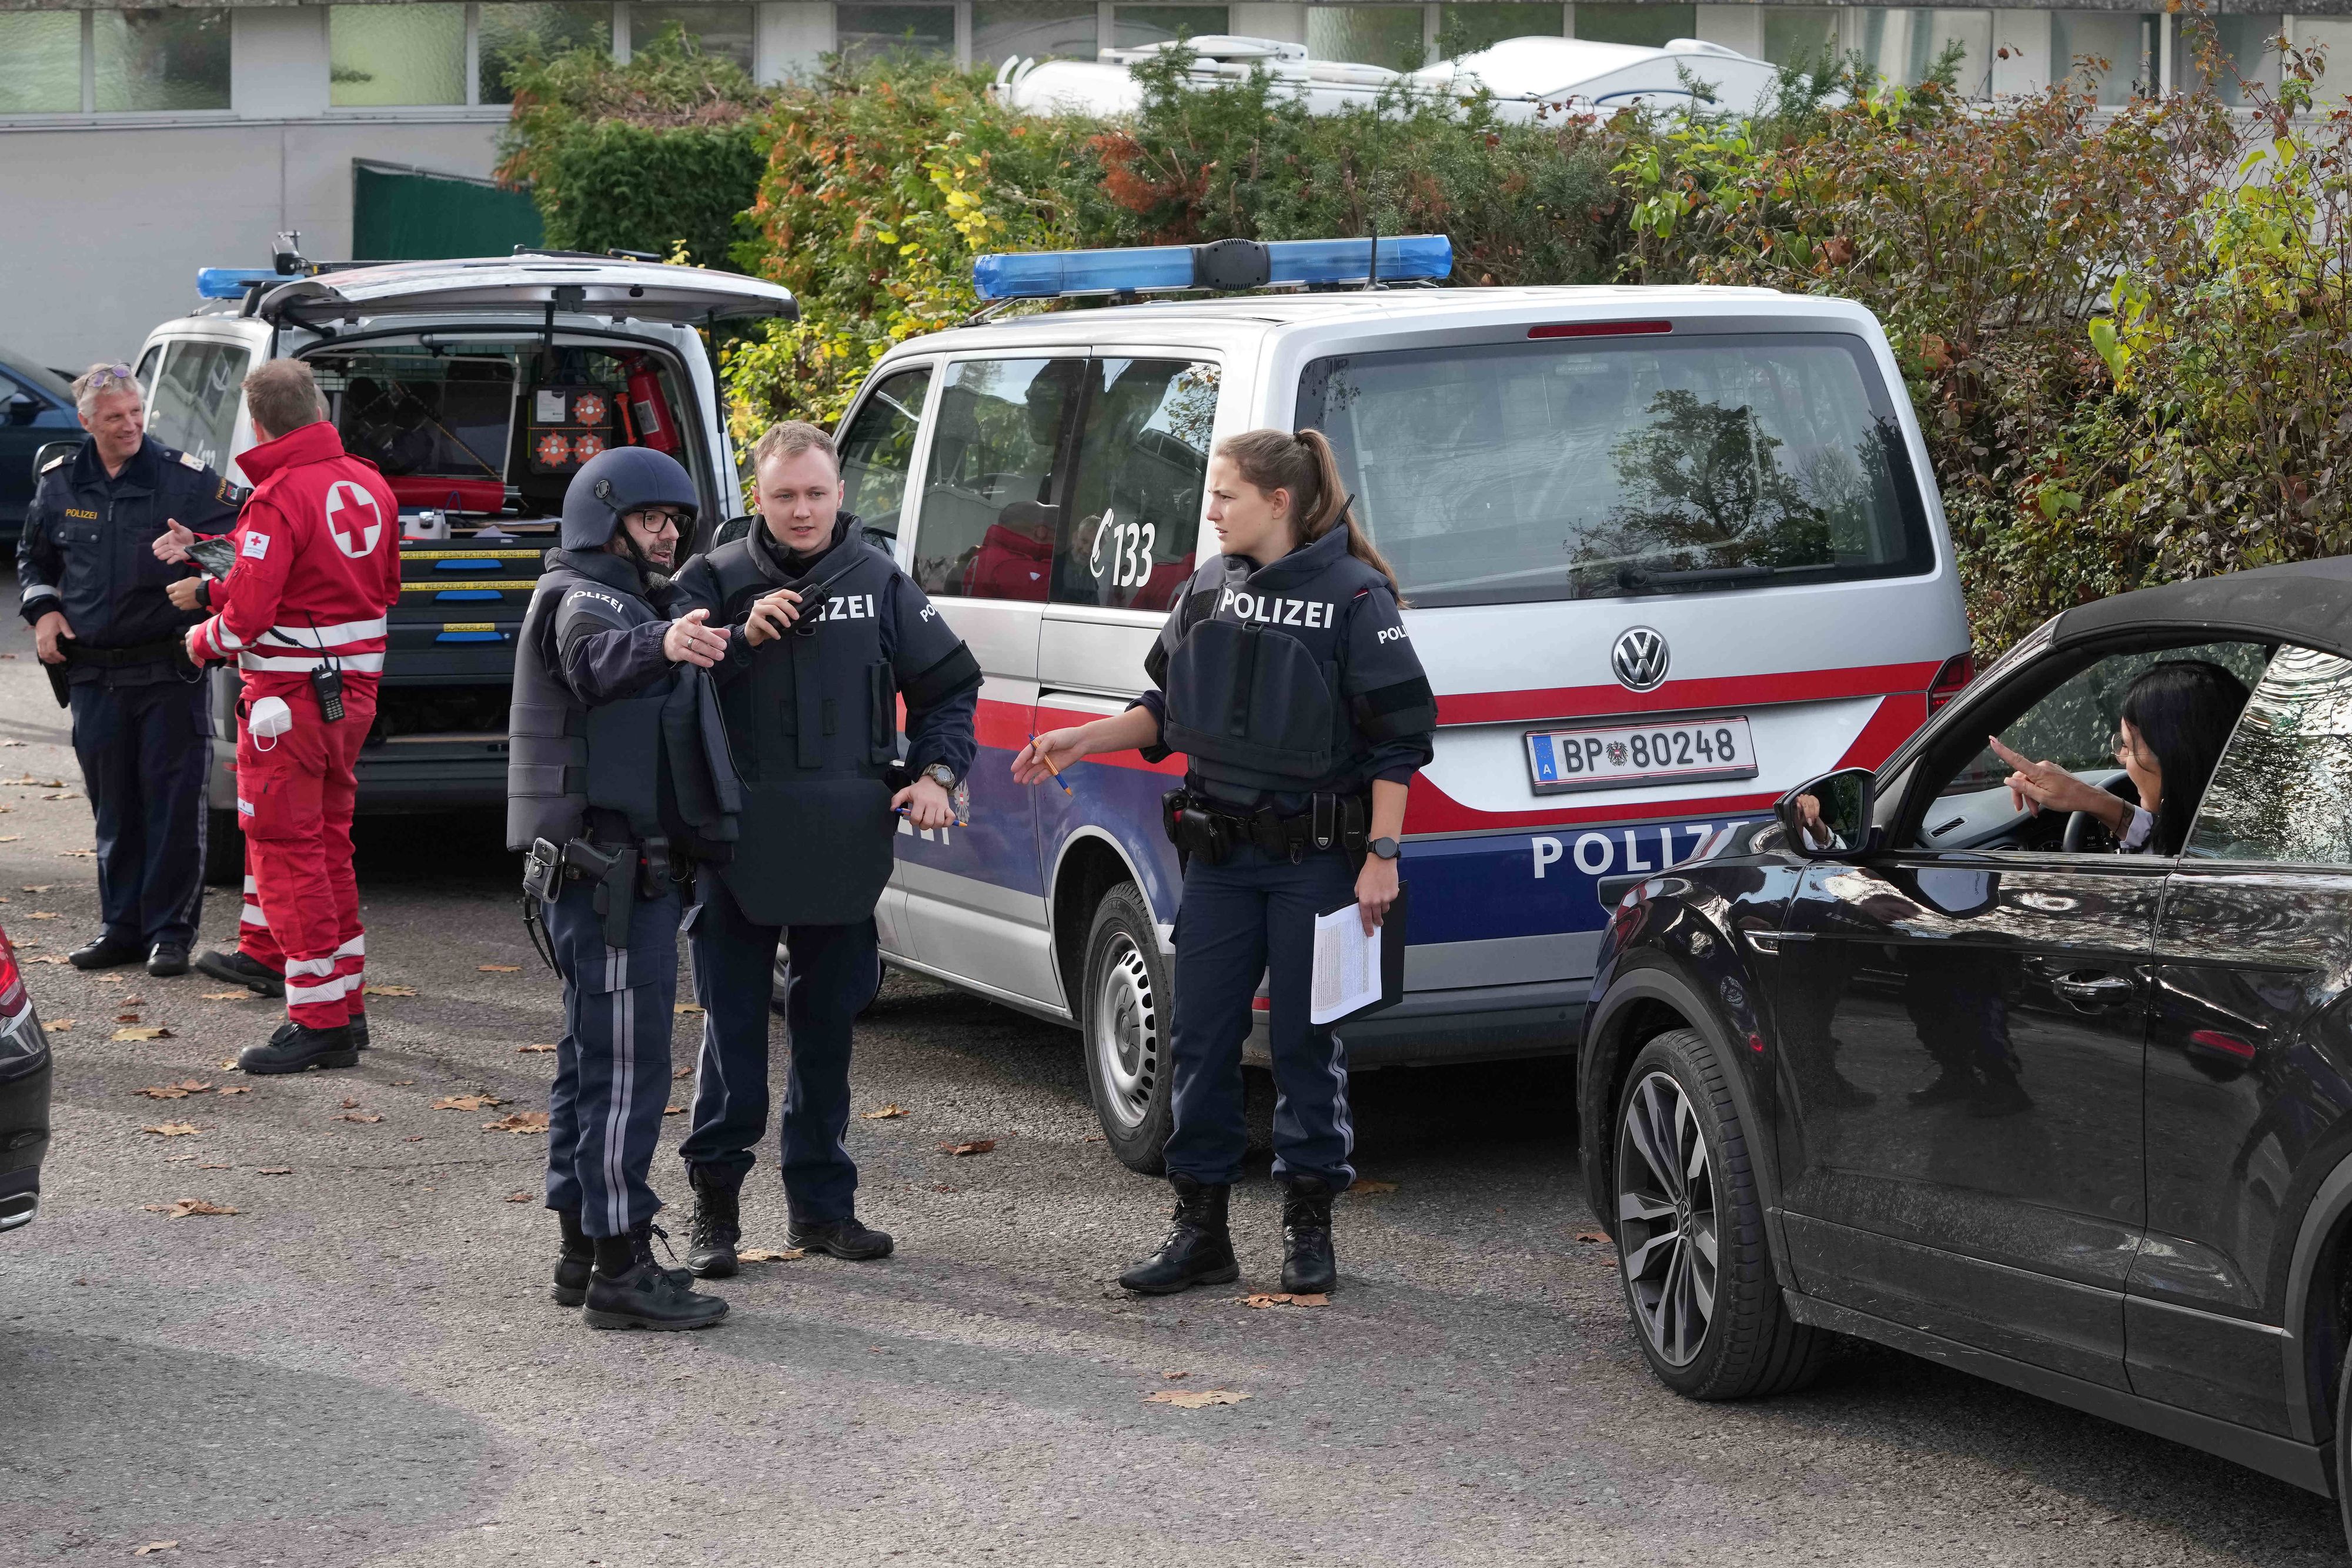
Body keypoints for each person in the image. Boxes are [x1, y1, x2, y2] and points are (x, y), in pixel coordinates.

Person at [1014, 428, 1437, 1297]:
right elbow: (1163, 711)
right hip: (1221, 860)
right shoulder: (1207, 588)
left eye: (1226, 496)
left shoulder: (1357, 597)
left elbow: (1400, 744)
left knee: (1303, 1043)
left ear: (1278, 502)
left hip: (1318, 863)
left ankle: (1309, 1226)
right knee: (1201, 1038)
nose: (1210, 511)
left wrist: (1382, 855)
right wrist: (1078, 738)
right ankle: (1200, 1229)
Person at [668, 420, 980, 1277]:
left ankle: (822, 1208)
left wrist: (939, 773)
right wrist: (735, 642)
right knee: (733, 1035)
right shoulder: (713, 580)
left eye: (815, 493)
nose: (801, 510)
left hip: (845, 837)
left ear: (841, 493)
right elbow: (660, 691)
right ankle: (715, 1212)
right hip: (734, 842)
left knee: (827, 1031)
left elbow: (951, 687)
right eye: (783, 495)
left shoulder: (879, 579)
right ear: (756, 499)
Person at [509, 444, 738, 1332]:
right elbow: (596, 661)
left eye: (675, 519)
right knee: (625, 1070)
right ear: (604, 521)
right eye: (651, 519)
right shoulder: (582, 598)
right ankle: (620, 1263)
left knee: (589, 1062)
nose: (669, 531)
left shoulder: (639, 592)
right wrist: (663, 641)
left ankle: (581, 1246)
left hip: (612, 872)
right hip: (609, 877)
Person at [178, 360, 402, 1074]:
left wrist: (199, 637)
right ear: (316, 408)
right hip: (350, 700)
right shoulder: (370, 481)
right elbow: (379, 588)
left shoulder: (275, 498)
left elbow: (245, 622)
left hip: (287, 706)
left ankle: (317, 1022)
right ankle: (348, 1006)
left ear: (260, 423)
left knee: (285, 853)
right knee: (330, 847)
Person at [17, 362, 240, 978]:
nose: (130, 426)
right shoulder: (61, 483)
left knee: (171, 807)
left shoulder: (184, 481)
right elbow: (33, 560)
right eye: (114, 417)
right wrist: (43, 613)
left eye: (137, 413)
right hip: (93, 676)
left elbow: (244, 552)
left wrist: (198, 560)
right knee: (113, 807)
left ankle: (170, 933)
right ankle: (121, 929)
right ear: (87, 422)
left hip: (167, 670)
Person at [1989, 659, 2252, 855]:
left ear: (2174, 759)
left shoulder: (2231, 863)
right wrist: (2091, 798)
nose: (2121, 759)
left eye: (2127, 746)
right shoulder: (2230, 829)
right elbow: (2168, 841)